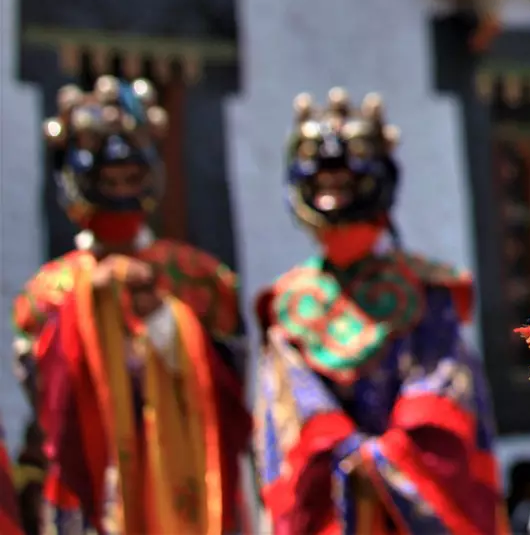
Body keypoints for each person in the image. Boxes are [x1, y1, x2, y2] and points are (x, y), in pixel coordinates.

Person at [253, 89, 501, 535]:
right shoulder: (287, 300)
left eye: (345, 183)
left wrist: (389, 457)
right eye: (323, 184)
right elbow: (289, 396)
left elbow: (441, 377)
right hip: (328, 497)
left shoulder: (429, 289)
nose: (332, 193)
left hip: (411, 489)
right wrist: (337, 444)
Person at [13, 77, 250, 534]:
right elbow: (46, 397)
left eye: (130, 178)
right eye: (107, 180)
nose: (120, 190)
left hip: (184, 474)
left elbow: (230, 385)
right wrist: (84, 310)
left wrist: (165, 322)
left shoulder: (195, 277)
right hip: (91, 476)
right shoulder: (49, 292)